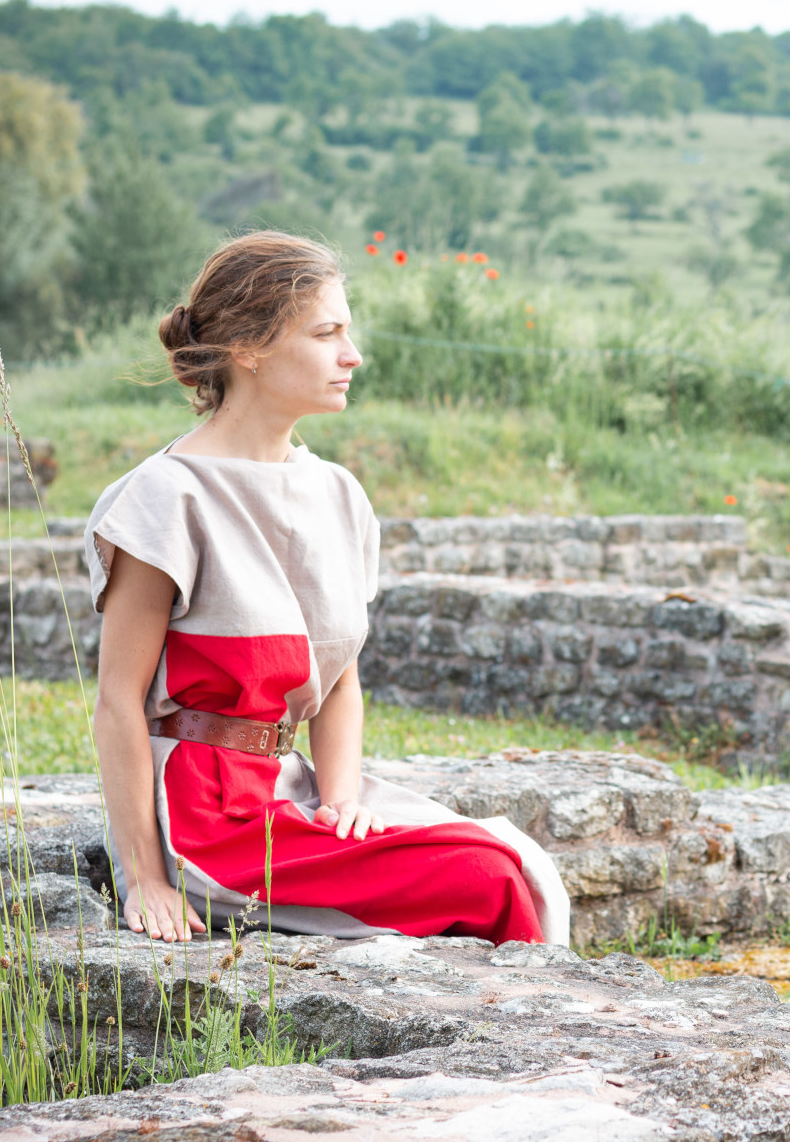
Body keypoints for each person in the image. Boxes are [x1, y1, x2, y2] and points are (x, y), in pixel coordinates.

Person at [84, 230, 569, 946]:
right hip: (209, 825)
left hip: (293, 790)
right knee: (488, 878)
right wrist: (145, 877)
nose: (353, 354)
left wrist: (340, 800)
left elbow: (338, 680)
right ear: (248, 348)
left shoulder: (339, 494)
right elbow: (117, 701)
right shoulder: (165, 499)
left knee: (518, 863)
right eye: (327, 332)